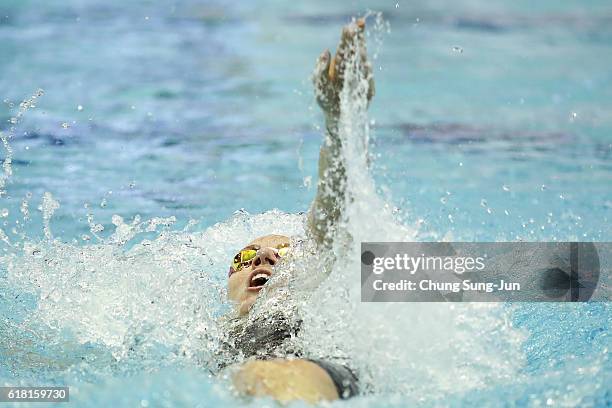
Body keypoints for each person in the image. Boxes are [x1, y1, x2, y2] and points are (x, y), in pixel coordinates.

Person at [222, 17, 374, 404]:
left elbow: (332, 206)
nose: (267, 256)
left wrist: (339, 122)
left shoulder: (309, 292)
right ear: (227, 285)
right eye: (246, 256)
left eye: (284, 253)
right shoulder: (200, 334)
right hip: (247, 376)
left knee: (271, 372)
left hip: (317, 370)